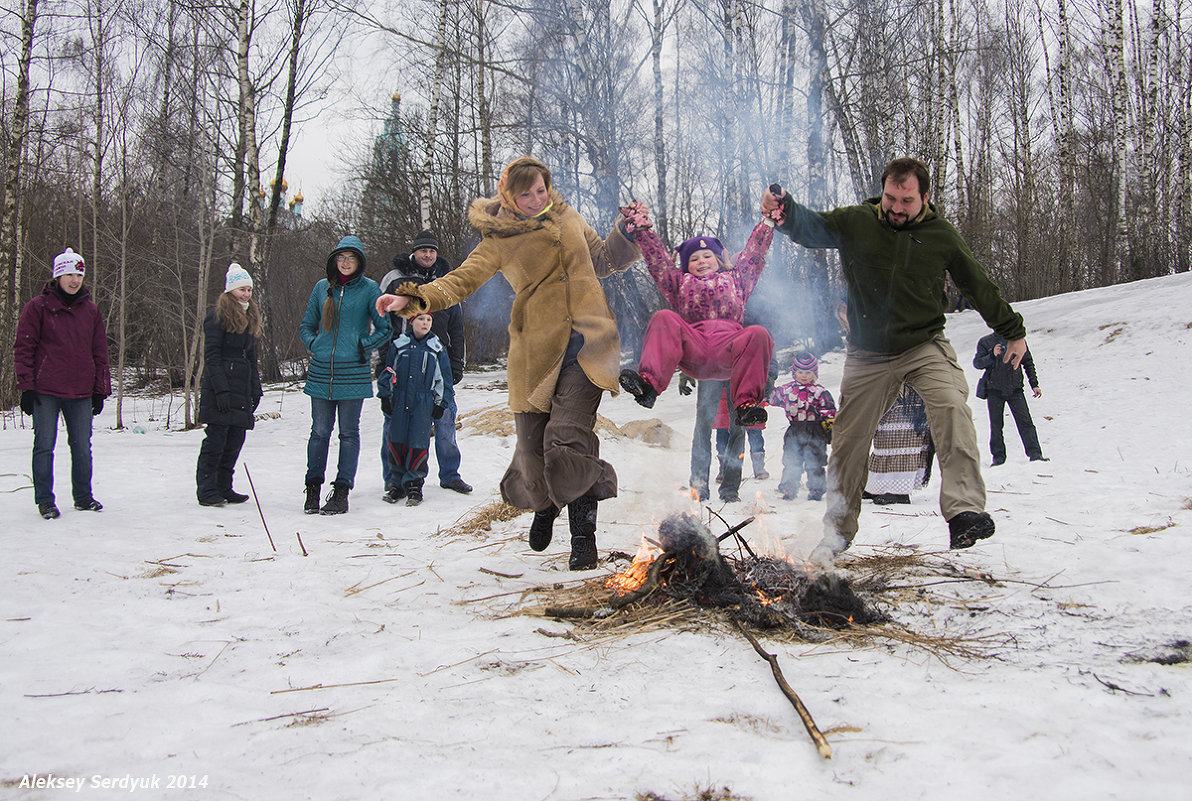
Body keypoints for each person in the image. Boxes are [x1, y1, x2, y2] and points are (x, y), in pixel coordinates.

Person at [375, 156, 641, 570]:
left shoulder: (568, 215)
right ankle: (545, 506)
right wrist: (414, 297)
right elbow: (459, 281)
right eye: (526, 194)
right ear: (508, 196)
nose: (538, 199)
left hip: (590, 346)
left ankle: (582, 538)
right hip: (535, 353)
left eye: (541, 189)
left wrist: (626, 232)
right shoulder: (499, 239)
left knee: (568, 439)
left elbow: (604, 260)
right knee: (533, 453)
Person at [763, 157, 1030, 560]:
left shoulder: (941, 236)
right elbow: (814, 228)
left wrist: (1012, 330)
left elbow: (976, 283)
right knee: (849, 441)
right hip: (868, 354)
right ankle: (836, 534)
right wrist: (786, 211)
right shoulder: (859, 222)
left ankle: (964, 513)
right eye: (890, 197)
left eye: (906, 200)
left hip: (923, 345)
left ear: (924, 197)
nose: (896, 207)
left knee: (952, 406)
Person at [617, 204, 781, 427]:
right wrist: (642, 230)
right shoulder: (679, 283)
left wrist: (768, 223)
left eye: (707, 256)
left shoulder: (736, 280)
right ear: (686, 266)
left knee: (758, 333)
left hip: (730, 350)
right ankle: (648, 386)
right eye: (694, 259)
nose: (702, 261)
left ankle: (747, 405)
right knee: (664, 318)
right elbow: (658, 263)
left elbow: (754, 254)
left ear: (718, 260)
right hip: (694, 348)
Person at [14, 247, 111, 519]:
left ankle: (83, 497)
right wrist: (26, 386)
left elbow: (99, 352)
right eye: (68, 274)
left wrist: (99, 390)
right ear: (57, 276)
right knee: (44, 445)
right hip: (46, 389)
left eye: (78, 274)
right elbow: (23, 348)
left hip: (80, 391)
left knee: (82, 446)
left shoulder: (90, 310)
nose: (74, 280)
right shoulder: (37, 307)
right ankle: (45, 500)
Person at [299, 235, 391, 515]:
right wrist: (315, 345)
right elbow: (306, 325)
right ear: (334, 261)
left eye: (351, 258)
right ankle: (312, 489)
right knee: (319, 432)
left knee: (348, 434)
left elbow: (385, 328)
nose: (346, 262)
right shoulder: (320, 289)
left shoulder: (369, 289)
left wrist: (362, 346)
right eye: (341, 257)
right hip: (321, 372)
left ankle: (341, 493)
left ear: (359, 261)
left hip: (353, 372)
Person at [378, 230, 472, 496]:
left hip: (438, 364)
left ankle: (450, 475)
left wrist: (456, 364)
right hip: (403, 363)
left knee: (445, 420)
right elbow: (383, 322)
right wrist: (384, 363)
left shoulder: (447, 281)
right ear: (414, 252)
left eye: (432, 251)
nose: (428, 255)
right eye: (423, 251)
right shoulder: (395, 279)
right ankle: (393, 478)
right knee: (395, 423)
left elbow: (457, 327)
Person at [195, 263, 264, 507]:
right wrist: (221, 389)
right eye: (241, 289)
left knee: (235, 439)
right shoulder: (217, 316)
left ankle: (225, 486)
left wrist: (255, 387)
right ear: (230, 291)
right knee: (216, 439)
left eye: (248, 290)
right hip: (220, 386)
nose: (246, 294)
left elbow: (251, 357)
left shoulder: (250, 315)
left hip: (241, 385)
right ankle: (207, 489)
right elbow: (212, 356)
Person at [376, 312, 453, 507]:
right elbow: (388, 371)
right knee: (397, 440)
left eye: (428, 320)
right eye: (420, 319)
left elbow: (444, 380)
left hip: (423, 400)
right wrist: (385, 396)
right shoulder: (399, 345)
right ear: (411, 322)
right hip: (400, 398)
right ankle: (397, 484)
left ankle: (414, 484)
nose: (425, 323)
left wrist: (440, 404)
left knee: (418, 441)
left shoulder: (436, 348)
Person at [768, 352, 836, 501]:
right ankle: (789, 487)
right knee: (792, 459)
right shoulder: (787, 390)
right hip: (795, 429)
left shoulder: (820, 392)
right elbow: (772, 397)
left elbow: (828, 410)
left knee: (815, 460)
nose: (804, 376)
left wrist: (829, 427)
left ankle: (816, 488)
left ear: (814, 373)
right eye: (800, 372)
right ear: (794, 373)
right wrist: (766, 384)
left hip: (815, 430)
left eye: (808, 372)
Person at [973, 333, 1046, 465]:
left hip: (1015, 389)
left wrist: (1034, 384)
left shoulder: (1017, 340)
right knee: (996, 426)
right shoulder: (986, 342)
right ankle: (998, 457)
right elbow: (977, 363)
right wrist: (991, 355)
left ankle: (1035, 454)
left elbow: (1028, 362)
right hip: (994, 390)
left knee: (1026, 423)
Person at [862, 385, 934, 505]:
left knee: (904, 439)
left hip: (909, 393)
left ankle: (899, 492)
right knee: (884, 439)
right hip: (890, 386)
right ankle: (877, 487)